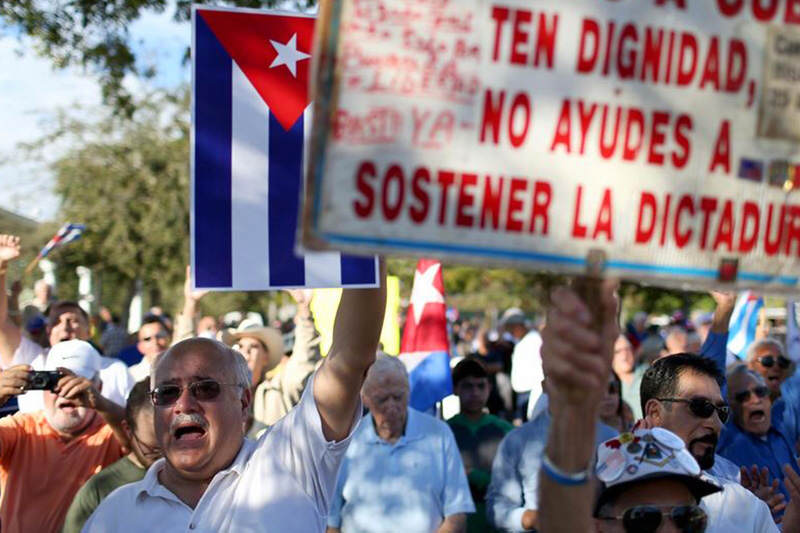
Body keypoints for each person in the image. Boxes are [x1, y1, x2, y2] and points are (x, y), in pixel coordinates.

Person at [84, 266, 387, 532]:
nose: (184, 405)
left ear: (243, 401)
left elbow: (349, 359)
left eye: (205, 388)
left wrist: (363, 236)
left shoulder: (290, 462)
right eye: (167, 393)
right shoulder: (115, 514)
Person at [535, 281, 800, 533]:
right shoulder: (608, 471)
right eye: (643, 519)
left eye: (689, 519)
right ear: (653, 412)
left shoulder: (740, 502)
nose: (714, 422)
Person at [327, 356, 474, 533]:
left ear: (409, 391)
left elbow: (456, 514)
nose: (392, 406)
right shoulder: (347, 441)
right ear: (364, 398)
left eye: (398, 397)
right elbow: (331, 522)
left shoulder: (438, 433)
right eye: (382, 399)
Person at [641, 354, 782, 531]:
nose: (716, 424)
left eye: (721, 412)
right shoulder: (606, 489)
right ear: (655, 413)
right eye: (700, 407)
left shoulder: (743, 504)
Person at [0, 340, 126, 532]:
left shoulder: (113, 432)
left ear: (98, 387)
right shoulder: (21, 429)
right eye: (54, 383)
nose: (65, 393)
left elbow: (151, 447)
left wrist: (103, 405)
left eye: (76, 384)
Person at [0, 233, 133, 409]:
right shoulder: (32, 360)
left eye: (74, 319)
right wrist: (1, 266)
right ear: (48, 332)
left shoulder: (115, 370)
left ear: (89, 330)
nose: (66, 326)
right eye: (56, 321)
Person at [486, 376, 618, 532]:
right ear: (545, 385)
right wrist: (531, 518)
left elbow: (620, 504)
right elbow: (498, 507)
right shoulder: (517, 441)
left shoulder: (609, 439)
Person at [62, 379, 161, 533]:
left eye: (174, 442)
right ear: (128, 430)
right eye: (154, 450)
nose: (165, 459)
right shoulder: (99, 491)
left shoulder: (200, 477)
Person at [447, 358, 513, 533]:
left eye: (481, 386)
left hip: (497, 523)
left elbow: (515, 483)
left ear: (489, 389)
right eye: (468, 386)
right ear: (455, 389)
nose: (475, 392)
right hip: (456, 523)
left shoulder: (506, 431)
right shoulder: (443, 432)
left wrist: (474, 476)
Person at [718, 366, 799, 505]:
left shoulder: (782, 423)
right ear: (729, 405)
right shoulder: (726, 441)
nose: (755, 400)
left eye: (760, 392)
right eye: (743, 396)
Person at [246, 289, 322, 428]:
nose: (245, 352)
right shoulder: (219, 393)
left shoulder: (279, 389)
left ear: (265, 357)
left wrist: (304, 310)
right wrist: (191, 307)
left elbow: (304, 360)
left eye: (253, 346)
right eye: (239, 346)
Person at [505, 309, 541, 424]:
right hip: (523, 393)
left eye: (511, 329)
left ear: (518, 326)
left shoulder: (534, 340)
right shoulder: (523, 341)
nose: (510, 333)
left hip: (531, 393)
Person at [128, 315, 171, 382]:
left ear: (169, 338)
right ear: (140, 346)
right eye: (147, 339)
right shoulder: (130, 376)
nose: (155, 342)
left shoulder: (183, 371)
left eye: (160, 336)